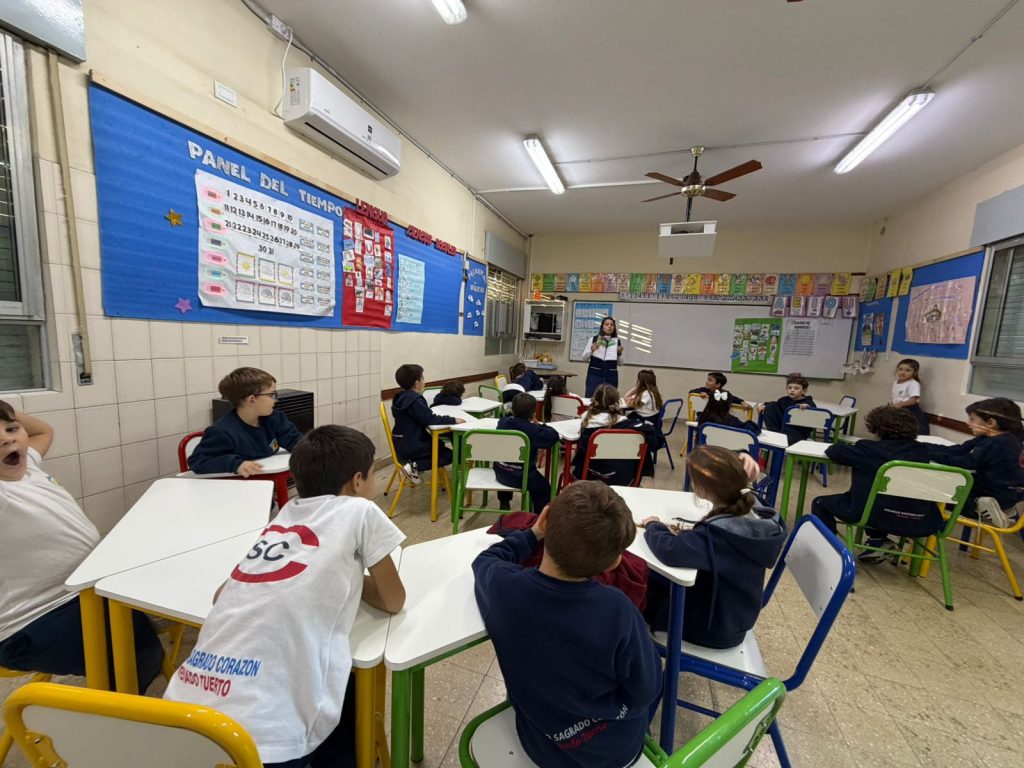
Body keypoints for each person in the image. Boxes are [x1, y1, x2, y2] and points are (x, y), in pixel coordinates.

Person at [165, 425, 406, 768]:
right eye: (372, 475)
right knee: (350, 696)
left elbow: (221, 594)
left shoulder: (288, 512)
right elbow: (394, 600)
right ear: (357, 481)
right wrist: (350, 579)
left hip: (180, 718)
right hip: (265, 738)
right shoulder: (360, 511)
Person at [473, 481, 662, 768]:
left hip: (542, 749)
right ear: (614, 563)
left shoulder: (504, 588)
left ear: (547, 520)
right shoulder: (619, 611)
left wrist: (533, 533)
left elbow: (486, 559)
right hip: (616, 753)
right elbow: (646, 689)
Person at [0, 401, 163, 690]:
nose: (7, 439)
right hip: (32, 622)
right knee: (137, 653)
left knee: (144, 612)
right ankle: (117, 711)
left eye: (12, 429)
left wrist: (7, 413)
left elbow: (43, 431)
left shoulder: (30, 467)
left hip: (79, 592)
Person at [641, 446, 786, 648]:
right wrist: (739, 456)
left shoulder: (717, 536)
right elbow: (725, 471)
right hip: (731, 616)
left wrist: (653, 525)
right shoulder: (755, 511)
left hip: (711, 629)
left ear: (701, 491)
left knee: (636, 590)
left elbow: (670, 550)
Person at [812, 406, 937, 562]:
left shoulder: (868, 449)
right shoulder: (924, 451)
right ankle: (878, 542)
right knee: (883, 497)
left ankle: (829, 552)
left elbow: (834, 451)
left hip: (874, 514)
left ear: (877, 428)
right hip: (919, 520)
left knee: (821, 503)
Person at [188, 367, 303, 476]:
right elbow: (198, 461)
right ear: (252, 399)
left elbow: (294, 441)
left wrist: (309, 448)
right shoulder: (222, 431)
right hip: (238, 484)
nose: (275, 400)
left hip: (268, 479)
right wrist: (236, 464)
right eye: (272, 395)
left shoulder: (275, 418)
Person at [927, 398, 1024, 521]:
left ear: (991, 423)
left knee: (931, 495)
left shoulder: (1000, 443)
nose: (968, 423)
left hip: (994, 497)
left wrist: (926, 453)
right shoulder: (990, 436)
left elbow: (965, 462)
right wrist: (922, 446)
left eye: (972, 419)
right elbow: (958, 450)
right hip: (994, 490)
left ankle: (980, 508)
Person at [391, 364, 465, 485]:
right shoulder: (415, 400)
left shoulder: (400, 397)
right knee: (451, 455)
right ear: (417, 383)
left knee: (440, 445)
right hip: (412, 446)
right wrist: (453, 420)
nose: (424, 381)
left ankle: (415, 467)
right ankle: (415, 466)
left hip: (401, 442)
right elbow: (430, 419)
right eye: (423, 378)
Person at [571, 384, 653, 485]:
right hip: (621, 478)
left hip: (589, 475)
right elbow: (651, 432)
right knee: (641, 444)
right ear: (616, 404)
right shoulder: (625, 424)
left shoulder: (586, 421)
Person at [495, 393, 560, 513]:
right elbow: (553, 436)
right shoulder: (533, 430)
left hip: (501, 472)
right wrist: (540, 425)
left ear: (512, 410)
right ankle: (538, 517)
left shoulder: (502, 423)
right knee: (544, 488)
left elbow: (505, 419)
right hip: (522, 476)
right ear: (533, 413)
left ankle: (504, 501)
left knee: (506, 463)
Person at [758, 374, 816, 445]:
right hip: (781, 429)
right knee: (771, 406)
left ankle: (780, 440)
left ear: (804, 391)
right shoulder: (784, 400)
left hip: (797, 432)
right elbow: (776, 405)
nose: (792, 390)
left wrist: (807, 406)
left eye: (796, 388)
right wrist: (765, 405)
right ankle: (774, 433)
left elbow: (813, 411)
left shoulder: (808, 402)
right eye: (789, 388)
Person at [581, 316, 624, 397]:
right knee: (591, 398)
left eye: (612, 325)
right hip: (595, 375)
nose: (609, 326)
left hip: (611, 376)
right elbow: (583, 358)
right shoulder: (593, 339)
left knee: (609, 399)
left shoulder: (617, 341)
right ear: (602, 327)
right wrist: (591, 350)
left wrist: (619, 353)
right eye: (607, 324)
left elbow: (621, 363)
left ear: (614, 327)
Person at [890, 358, 929, 435]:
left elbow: (913, 400)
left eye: (908, 370)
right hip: (898, 411)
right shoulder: (896, 382)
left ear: (914, 372)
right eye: (900, 369)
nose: (903, 372)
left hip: (910, 411)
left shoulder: (913, 383)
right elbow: (895, 397)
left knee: (912, 433)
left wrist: (899, 404)